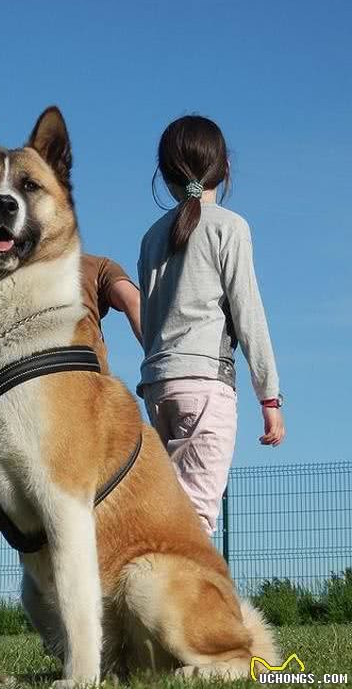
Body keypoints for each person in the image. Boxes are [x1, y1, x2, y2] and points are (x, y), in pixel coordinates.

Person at [137, 115, 285, 535]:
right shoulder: (230, 227)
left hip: (158, 387)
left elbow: (150, 325)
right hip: (205, 384)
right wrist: (269, 398)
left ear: (165, 177)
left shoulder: (151, 237)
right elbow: (248, 314)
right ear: (225, 168)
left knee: (169, 518)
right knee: (195, 527)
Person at [80, 253, 141, 374]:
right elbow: (134, 302)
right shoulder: (95, 265)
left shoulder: (32, 266)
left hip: (34, 374)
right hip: (87, 375)